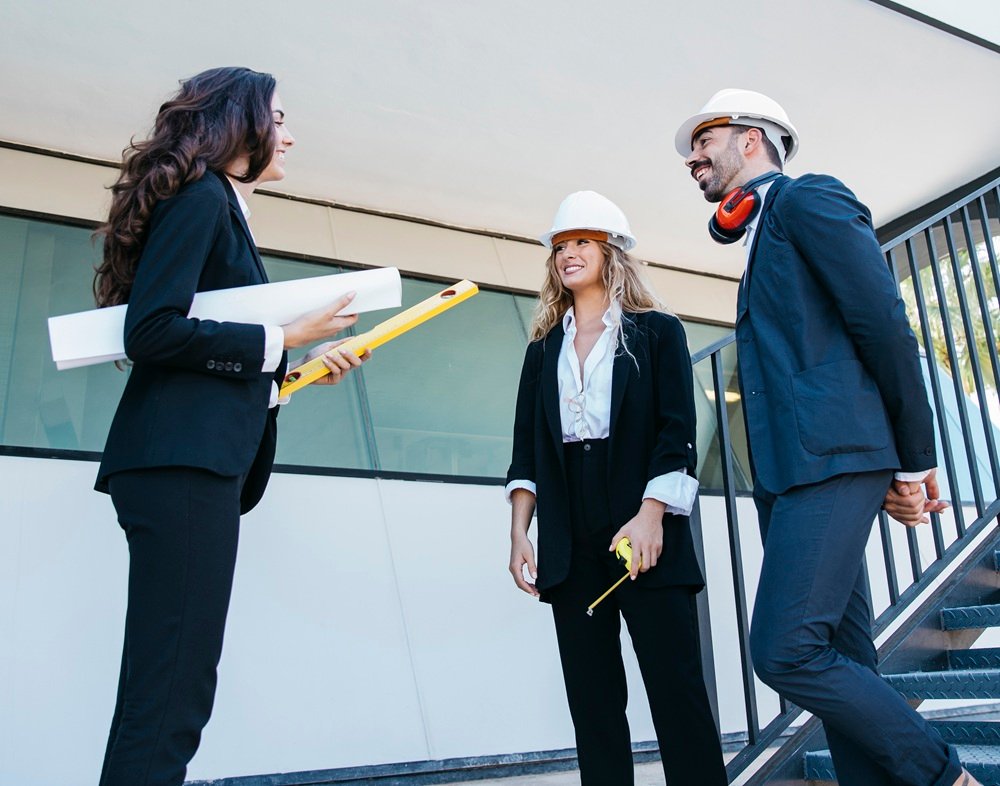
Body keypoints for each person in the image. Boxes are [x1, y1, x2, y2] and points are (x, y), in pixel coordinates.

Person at [675, 88, 967, 786]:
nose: (693, 157)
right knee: (844, 653)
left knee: (785, 651)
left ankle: (943, 775)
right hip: (786, 471)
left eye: (704, 141)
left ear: (752, 140)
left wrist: (912, 460)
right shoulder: (758, 234)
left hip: (833, 458)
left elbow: (883, 323)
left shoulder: (810, 199)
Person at [92, 66, 368, 786]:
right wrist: (279, 340)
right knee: (171, 692)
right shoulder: (203, 198)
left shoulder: (220, 207)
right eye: (280, 119)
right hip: (179, 467)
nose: (291, 135)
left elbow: (211, 350)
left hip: (187, 463)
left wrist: (292, 364)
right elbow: (152, 329)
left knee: (172, 687)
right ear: (242, 124)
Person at [506, 191, 728, 786]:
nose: (567, 254)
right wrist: (520, 533)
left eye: (581, 242)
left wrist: (652, 514)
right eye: (559, 246)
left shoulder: (658, 333)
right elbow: (526, 446)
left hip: (641, 518)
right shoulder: (541, 348)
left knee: (676, 692)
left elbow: (677, 432)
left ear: (612, 252)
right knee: (593, 703)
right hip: (568, 533)